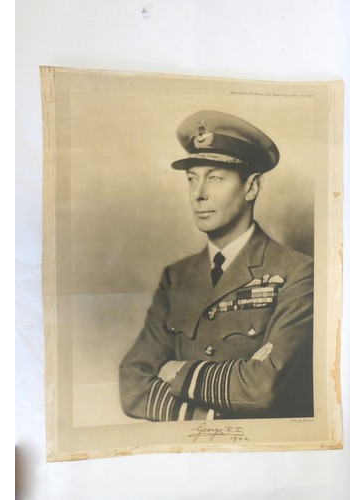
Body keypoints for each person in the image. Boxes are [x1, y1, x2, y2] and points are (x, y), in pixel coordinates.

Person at [119, 110, 314, 421]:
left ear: (251, 187)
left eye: (214, 178)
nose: (198, 195)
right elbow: (132, 381)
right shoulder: (176, 278)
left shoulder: (299, 272)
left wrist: (177, 370)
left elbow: (267, 388)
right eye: (192, 179)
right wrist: (206, 417)